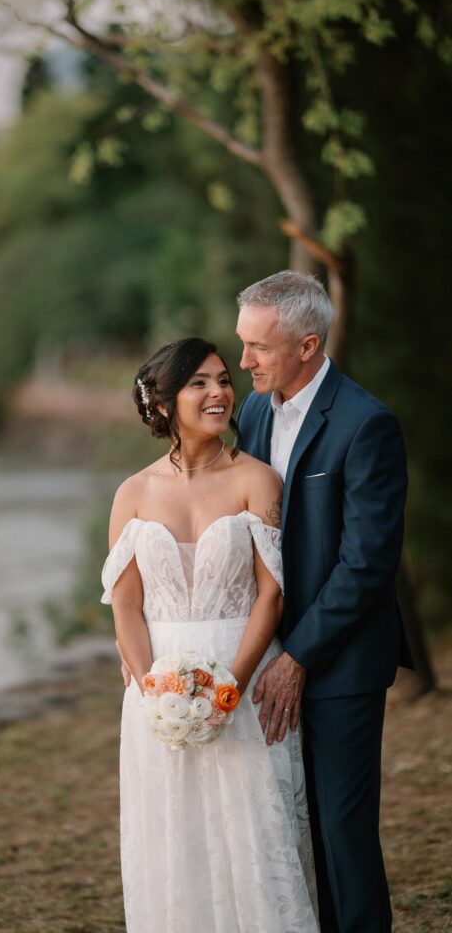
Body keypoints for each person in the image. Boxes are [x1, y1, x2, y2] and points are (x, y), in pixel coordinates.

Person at [101, 337, 319, 933]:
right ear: (166, 402)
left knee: (256, 831)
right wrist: (154, 691)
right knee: (174, 834)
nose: (220, 392)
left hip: (244, 678)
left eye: (224, 379)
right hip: (160, 691)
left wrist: (230, 689)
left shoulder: (259, 480)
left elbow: (271, 594)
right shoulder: (133, 493)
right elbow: (125, 604)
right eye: (199, 383)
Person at [235, 270, 411, 933]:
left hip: (340, 663)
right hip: (264, 652)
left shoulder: (367, 424)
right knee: (286, 822)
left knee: (341, 826)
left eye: (259, 347)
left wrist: (299, 656)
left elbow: (366, 563)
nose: (243, 361)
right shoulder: (252, 411)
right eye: (241, 344)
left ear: (307, 346)